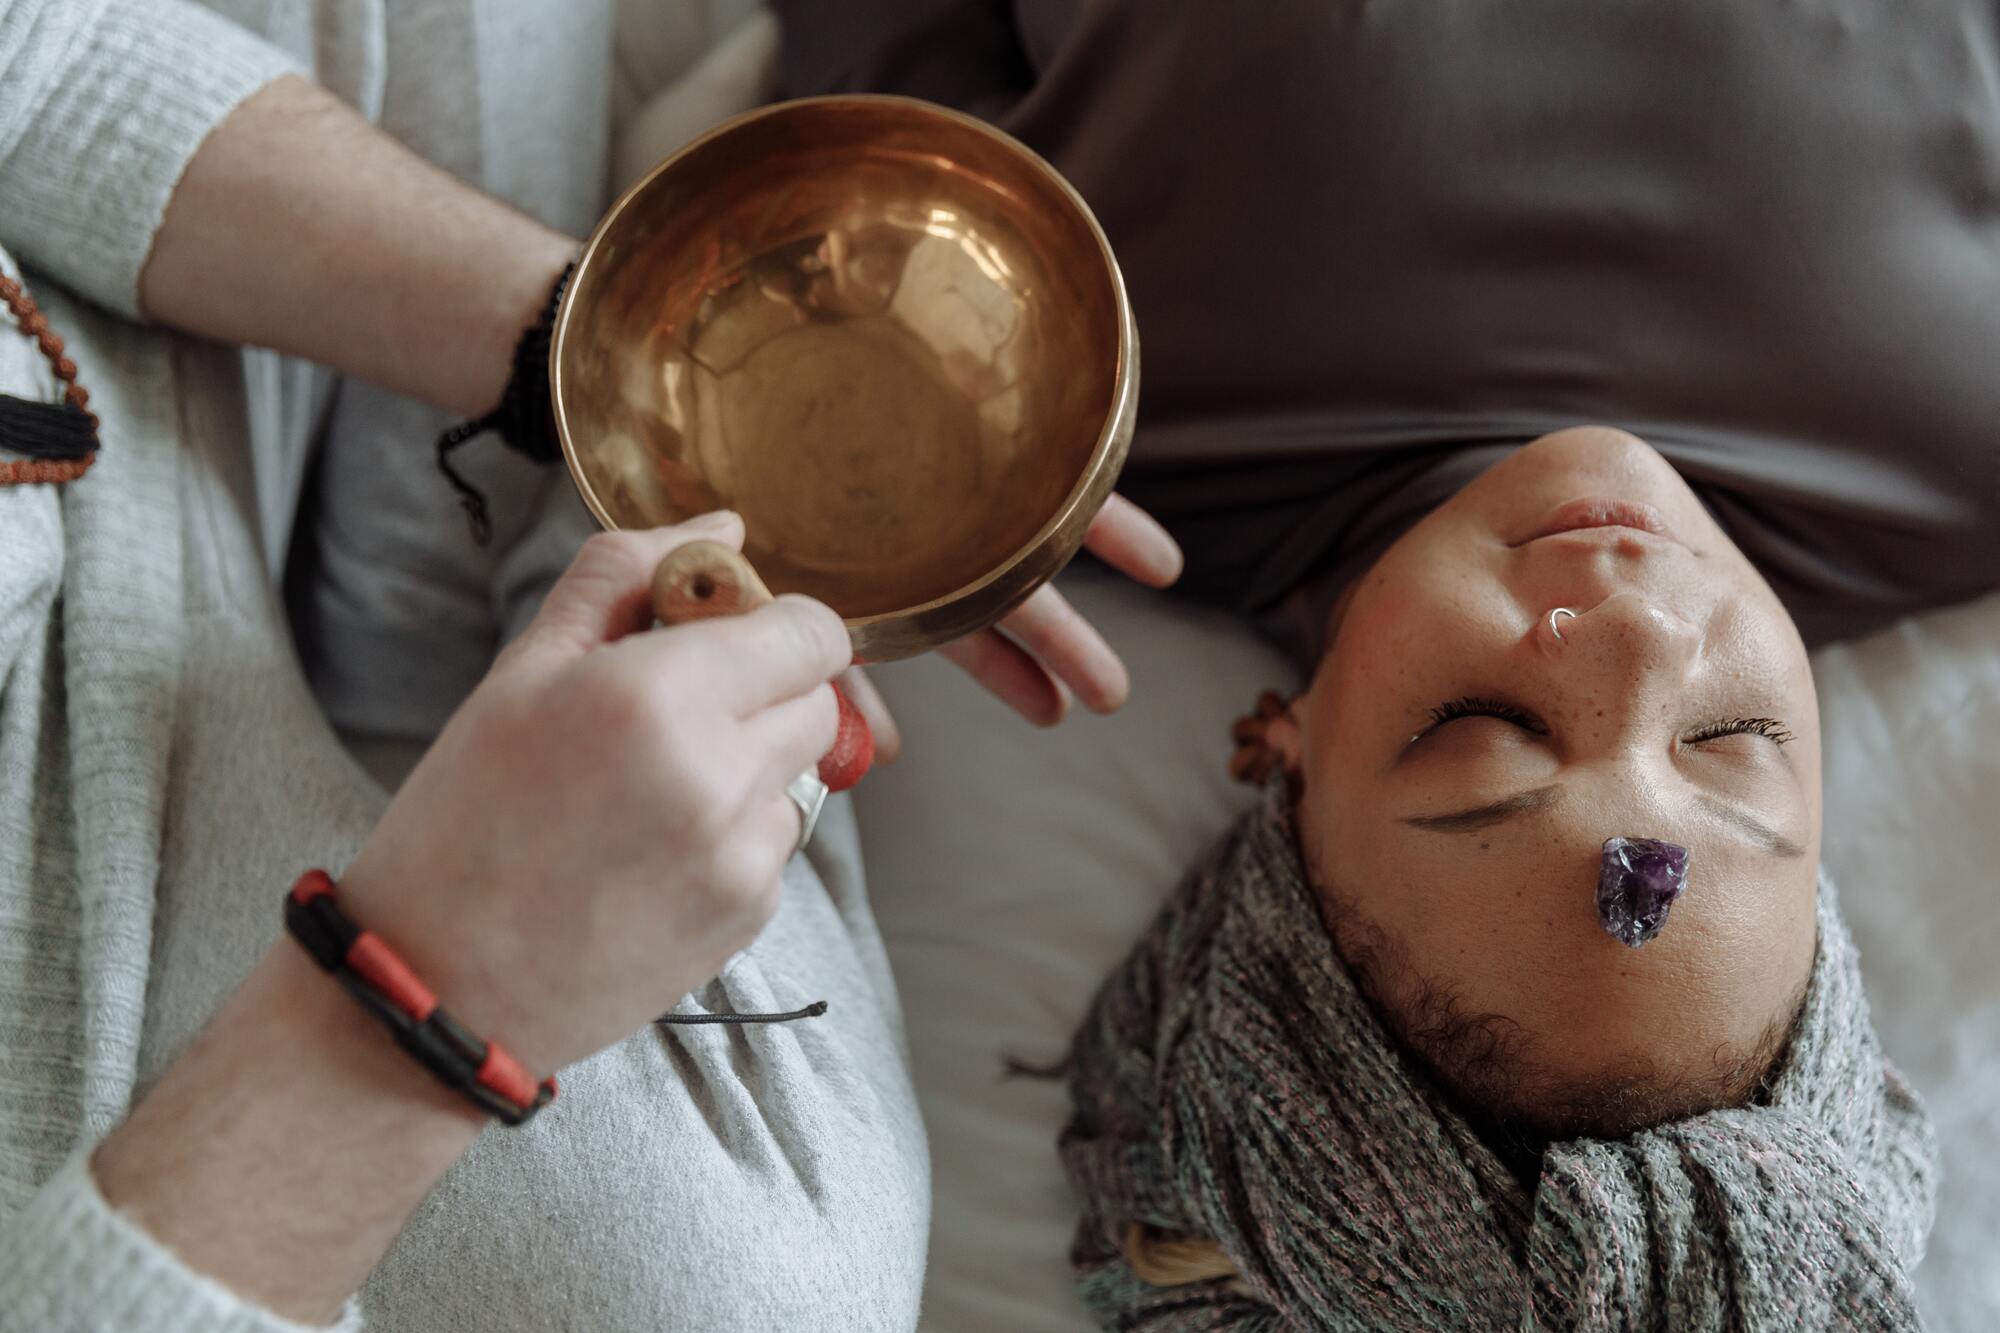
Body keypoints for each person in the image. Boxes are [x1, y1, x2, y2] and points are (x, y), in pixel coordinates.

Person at [775, 1, 1999, 1325]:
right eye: (1736, 741)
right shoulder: (1971, 462)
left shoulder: (1022, 375)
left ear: (1280, 756)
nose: (1642, 634)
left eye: (1486, 731)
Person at [0, 2, 1176, 1329]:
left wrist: (612, 377)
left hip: (132, 393)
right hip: (131, 1068)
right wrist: (406, 1004)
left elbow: (32, 60)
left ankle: (481, 573)